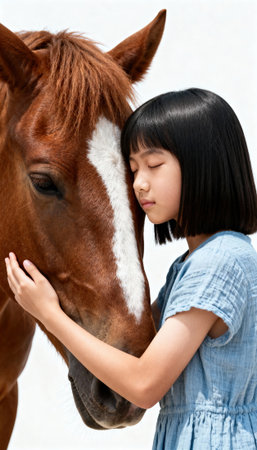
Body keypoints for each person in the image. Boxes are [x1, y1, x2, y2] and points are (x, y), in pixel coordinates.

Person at [5, 88, 257, 449]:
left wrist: (49, 314)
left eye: (153, 166)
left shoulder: (219, 263)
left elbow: (144, 384)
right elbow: (138, 354)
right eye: (133, 168)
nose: (138, 183)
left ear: (204, 163)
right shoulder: (192, 265)